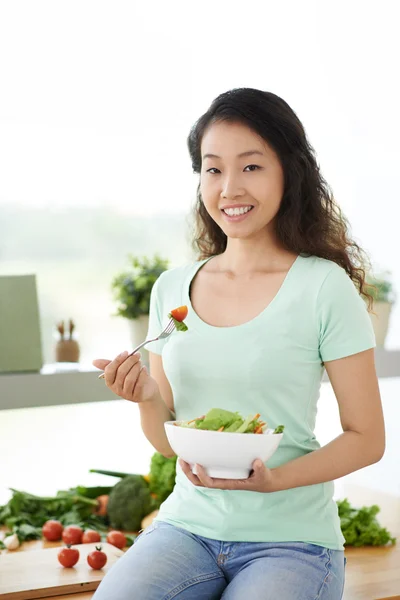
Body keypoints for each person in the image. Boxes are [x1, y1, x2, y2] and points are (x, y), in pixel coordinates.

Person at [92, 88, 385, 600]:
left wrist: (275, 481)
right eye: (212, 169)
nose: (229, 187)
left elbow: (367, 437)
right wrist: (147, 399)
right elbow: (170, 441)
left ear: (289, 172)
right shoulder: (172, 289)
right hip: (186, 530)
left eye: (251, 167)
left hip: (293, 542)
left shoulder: (323, 287)